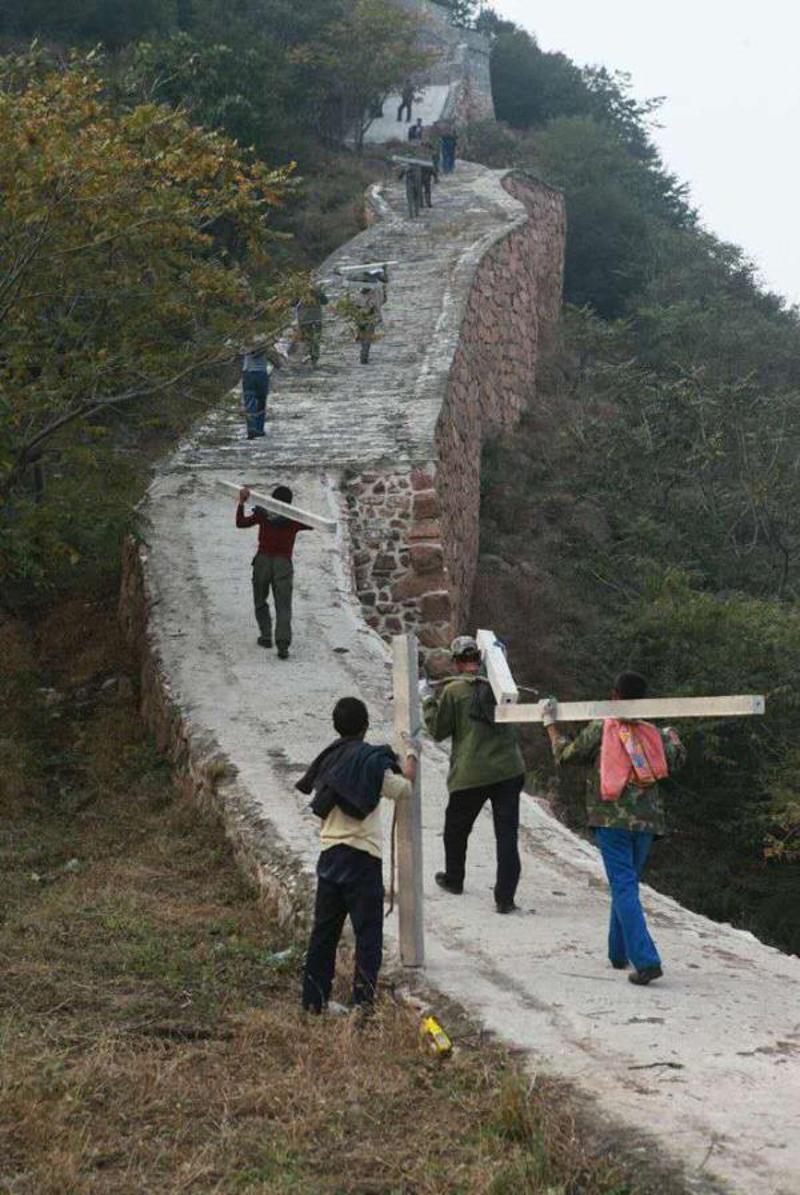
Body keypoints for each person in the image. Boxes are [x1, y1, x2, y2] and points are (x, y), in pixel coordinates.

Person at [542, 672, 686, 986]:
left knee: (623, 887)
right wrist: (674, 737)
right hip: (647, 823)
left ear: (614, 695)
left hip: (611, 820)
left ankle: (647, 961)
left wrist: (551, 726)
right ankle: (618, 953)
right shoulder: (654, 733)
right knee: (626, 885)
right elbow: (675, 760)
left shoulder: (602, 727)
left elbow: (566, 756)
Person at [298, 696, 419, 1013]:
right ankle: (362, 1005)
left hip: (329, 856)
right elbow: (403, 789)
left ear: (336, 726)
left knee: (324, 934)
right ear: (365, 726)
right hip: (361, 859)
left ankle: (314, 1003)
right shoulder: (370, 761)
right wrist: (411, 759)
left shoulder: (329, 758)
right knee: (368, 936)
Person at [421, 636, 526, 913]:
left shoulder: (454, 691)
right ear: (480, 660)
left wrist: (428, 701)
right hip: (509, 769)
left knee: (456, 828)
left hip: (472, 772)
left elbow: (437, 731)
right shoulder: (503, 685)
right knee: (507, 836)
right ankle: (505, 898)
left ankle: (454, 879)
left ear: (456, 662)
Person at [235, 484, 311, 659]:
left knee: (260, 600)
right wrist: (295, 512)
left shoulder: (262, 514)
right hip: (283, 563)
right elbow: (313, 524)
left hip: (263, 560)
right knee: (283, 605)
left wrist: (241, 503)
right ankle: (282, 644)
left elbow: (240, 523)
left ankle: (266, 636)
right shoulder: (293, 520)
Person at [241, 341, 284, 439]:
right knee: (261, 401)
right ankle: (259, 428)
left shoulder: (245, 345)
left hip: (248, 374)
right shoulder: (266, 347)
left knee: (249, 401)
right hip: (261, 374)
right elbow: (277, 363)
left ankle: (251, 428)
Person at [295, 283, 329, 366]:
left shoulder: (316, 292)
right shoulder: (298, 292)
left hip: (314, 320)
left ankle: (314, 358)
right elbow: (293, 303)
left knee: (315, 340)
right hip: (305, 321)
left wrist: (317, 292)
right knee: (307, 340)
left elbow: (325, 301)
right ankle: (307, 357)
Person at [353, 285, 383, 364]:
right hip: (369, 317)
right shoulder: (373, 294)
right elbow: (377, 305)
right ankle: (364, 356)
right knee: (367, 338)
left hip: (359, 318)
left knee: (362, 336)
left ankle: (363, 353)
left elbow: (353, 306)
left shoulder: (357, 294)